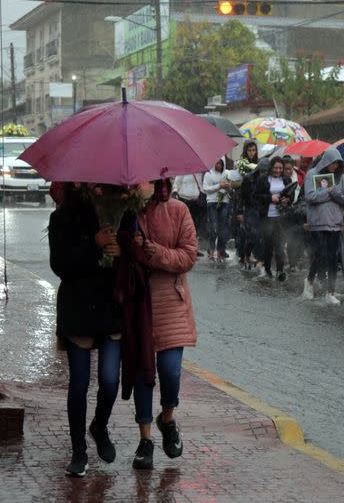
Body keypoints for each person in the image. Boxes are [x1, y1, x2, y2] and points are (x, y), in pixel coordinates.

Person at [49, 183, 123, 477]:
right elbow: (60, 266)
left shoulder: (119, 211)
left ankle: (99, 426)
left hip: (109, 308)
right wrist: (93, 243)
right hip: (78, 308)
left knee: (109, 380)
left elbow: (134, 260)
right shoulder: (62, 218)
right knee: (79, 383)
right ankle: (78, 450)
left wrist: (122, 252)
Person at [131, 179, 198, 470]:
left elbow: (189, 255)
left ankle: (167, 417)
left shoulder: (178, 210)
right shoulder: (127, 211)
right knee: (143, 374)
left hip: (171, 301)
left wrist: (155, 253)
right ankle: (145, 439)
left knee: (169, 372)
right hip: (137, 303)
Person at [302, 147, 344, 304]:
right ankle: (309, 282)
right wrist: (327, 192)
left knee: (333, 257)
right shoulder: (311, 174)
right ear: (326, 160)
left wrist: (334, 192)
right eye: (333, 163)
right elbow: (310, 196)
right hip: (318, 223)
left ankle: (330, 292)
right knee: (320, 254)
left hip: (335, 223)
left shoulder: (341, 177)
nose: (334, 166)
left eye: (337, 164)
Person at [254, 156, 291, 280]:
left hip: (281, 217)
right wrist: (270, 198)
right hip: (267, 216)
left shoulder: (286, 179)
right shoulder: (263, 180)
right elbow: (256, 196)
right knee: (268, 245)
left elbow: (291, 195)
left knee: (280, 245)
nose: (278, 170)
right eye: (275, 168)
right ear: (271, 168)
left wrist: (287, 200)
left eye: (280, 168)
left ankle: (280, 271)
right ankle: (268, 268)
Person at [237, 158, 269, 269]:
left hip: (262, 209)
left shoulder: (267, 179)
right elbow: (241, 196)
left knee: (261, 235)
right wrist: (240, 211)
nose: (264, 173)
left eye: (266, 171)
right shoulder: (248, 178)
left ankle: (259, 258)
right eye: (263, 171)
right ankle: (246, 255)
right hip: (250, 209)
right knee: (252, 235)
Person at [202, 158, 232, 261]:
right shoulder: (208, 174)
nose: (218, 165)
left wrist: (228, 187)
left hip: (224, 202)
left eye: (220, 163)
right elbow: (205, 189)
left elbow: (232, 188)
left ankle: (219, 252)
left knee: (222, 229)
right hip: (212, 202)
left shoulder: (227, 174)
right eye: (217, 163)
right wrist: (219, 186)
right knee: (214, 228)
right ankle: (211, 253)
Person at [172, 173, 206, 257]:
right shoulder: (183, 171)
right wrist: (175, 191)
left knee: (195, 225)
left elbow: (201, 185)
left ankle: (194, 248)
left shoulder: (199, 173)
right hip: (184, 200)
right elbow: (177, 182)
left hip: (196, 202)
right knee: (184, 224)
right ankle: (182, 246)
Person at [282, 155, 305, 271]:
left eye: (290, 169)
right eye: (285, 169)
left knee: (299, 235)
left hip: (298, 209)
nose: (288, 171)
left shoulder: (300, 175)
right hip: (286, 212)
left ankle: (297, 259)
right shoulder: (280, 179)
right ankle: (291, 263)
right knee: (289, 236)